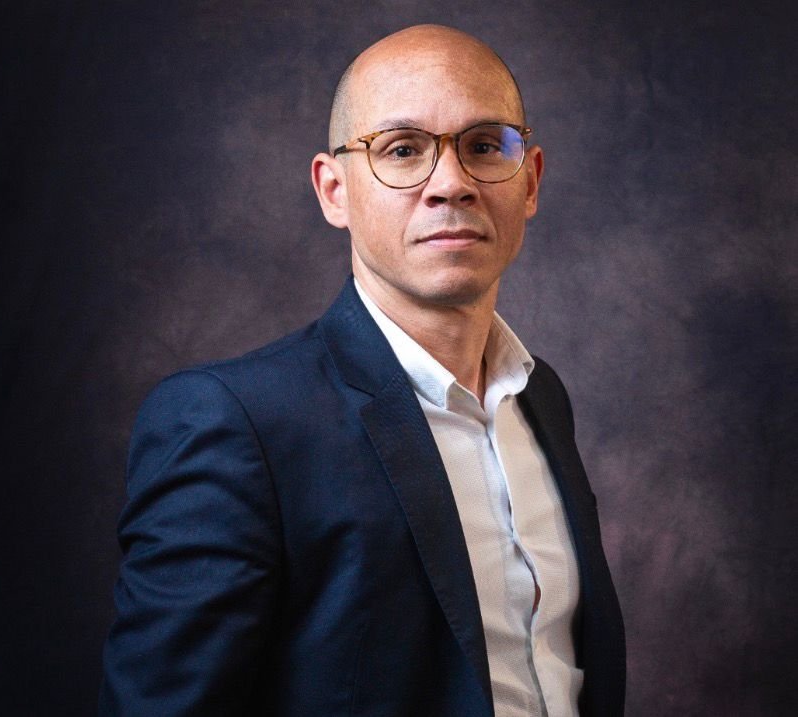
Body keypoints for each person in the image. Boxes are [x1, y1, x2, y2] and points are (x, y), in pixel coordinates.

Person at [100, 24, 625, 717]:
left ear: (529, 181)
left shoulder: (541, 396)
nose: (451, 184)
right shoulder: (232, 423)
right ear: (334, 191)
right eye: (402, 149)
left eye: (482, 146)